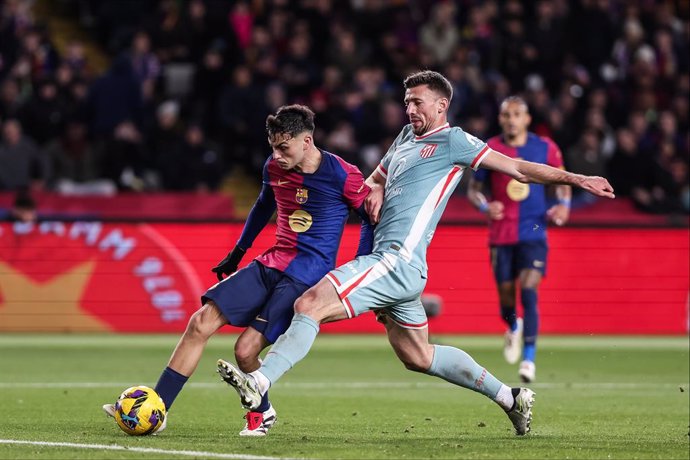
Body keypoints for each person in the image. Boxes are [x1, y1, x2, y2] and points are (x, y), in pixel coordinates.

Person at [218, 71, 614, 436]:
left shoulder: (454, 140)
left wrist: (576, 178)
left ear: (441, 106)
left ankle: (261, 381)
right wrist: (372, 187)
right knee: (418, 356)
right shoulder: (406, 137)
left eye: (418, 102)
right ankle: (511, 398)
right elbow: (375, 178)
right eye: (407, 101)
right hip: (400, 268)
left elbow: (519, 169)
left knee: (310, 304)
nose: (410, 109)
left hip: (396, 260)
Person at [102, 104, 372, 436]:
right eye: (273, 146)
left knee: (245, 352)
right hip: (271, 262)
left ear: (307, 141)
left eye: (283, 147)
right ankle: (157, 410)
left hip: (305, 277)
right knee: (199, 321)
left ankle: (262, 412)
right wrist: (238, 252)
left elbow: (372, 219)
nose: (276, 154)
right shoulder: (275, 168)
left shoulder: (343, 174)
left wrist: (362, 265)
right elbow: (262, 205)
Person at [467, 96, 571, 383]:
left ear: (526, 119)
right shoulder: (489, 149)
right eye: (506, 115)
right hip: (501, 234)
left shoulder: (545, 148)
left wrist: (564, 205)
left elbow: (563, 183)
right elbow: (474, 189)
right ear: (500, 119)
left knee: (529, 289)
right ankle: (513, 325)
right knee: (506, 300)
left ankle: (529, 359)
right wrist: (485, 206)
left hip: (534, 232)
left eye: (516, 114)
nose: (511, 120)